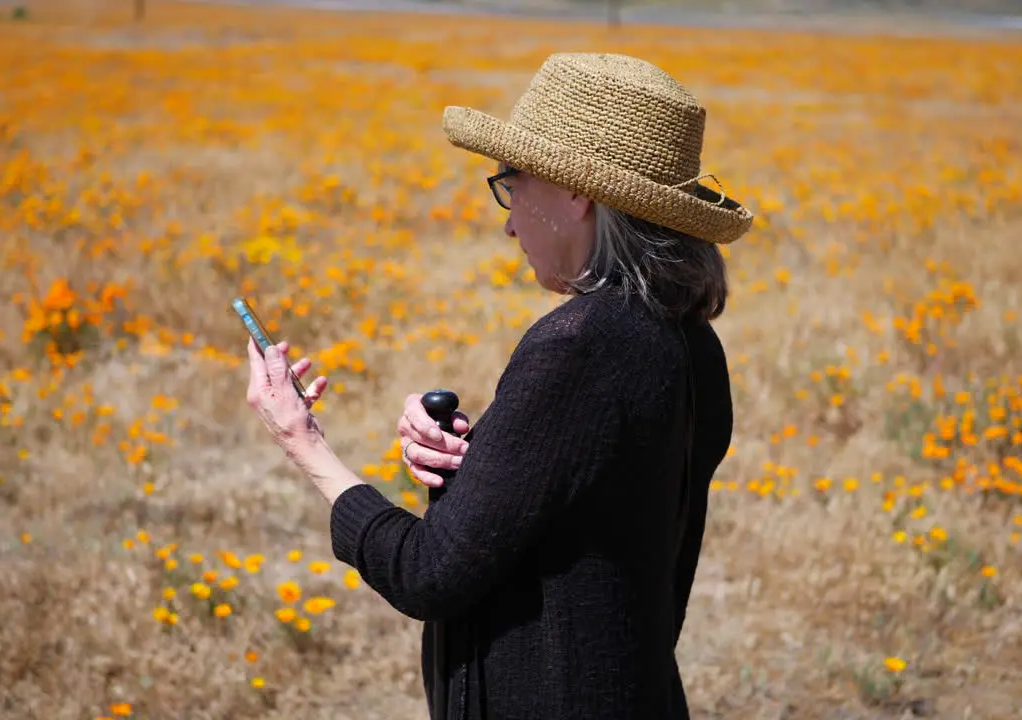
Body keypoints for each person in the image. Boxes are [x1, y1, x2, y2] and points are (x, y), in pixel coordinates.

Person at [246, 52, 753, 720]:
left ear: (578, 193)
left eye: (513, 183)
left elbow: (428, 573)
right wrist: (473, 465)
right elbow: (582, 522)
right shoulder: (686, 340)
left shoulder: (580, 348)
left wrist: (302, 440)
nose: (509, 220)